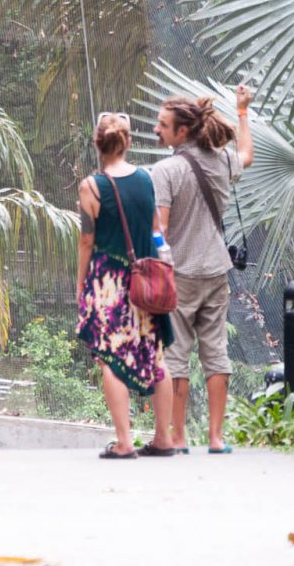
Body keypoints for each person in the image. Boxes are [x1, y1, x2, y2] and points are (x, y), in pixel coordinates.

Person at [151, 88, 254, 454]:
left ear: (182, 133)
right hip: (216, 271)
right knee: (216, 352)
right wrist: (242, 112)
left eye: (163, 125)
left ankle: (178, 437)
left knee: (176, 355)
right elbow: (247, 155)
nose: (156, 129)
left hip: (178, 275)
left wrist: (155, 268)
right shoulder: (222, 161)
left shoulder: (165, 171)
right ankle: (215, 437)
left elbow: (158, 229)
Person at [74, 111, 178, 459]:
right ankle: (163, 438)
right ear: (127, 142)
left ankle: (124, 441)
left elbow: (87, 240)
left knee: (110, 356)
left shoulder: (91, 187)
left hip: (108, 282)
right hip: (146, 280)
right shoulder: (146, 179)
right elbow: (155, 227)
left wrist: (81, 284)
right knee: (156, 355)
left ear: (97, 144)